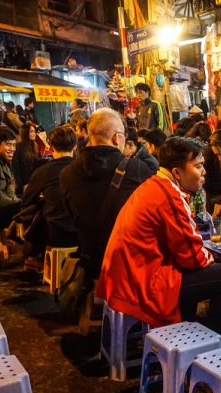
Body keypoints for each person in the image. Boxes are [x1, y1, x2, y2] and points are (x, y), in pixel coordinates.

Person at [98, 137, 221, 343]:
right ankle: (220, 343)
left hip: (125, 276)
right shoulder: (169, 195)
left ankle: (191, 333)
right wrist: (217, 258)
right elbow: (193, 257)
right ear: (177, 172)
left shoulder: (155, 185)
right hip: (142, 283)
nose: (204, 172)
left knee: (200, 273)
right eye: (199, 166)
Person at [60, 108, 154, 281]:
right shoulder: (136, 169)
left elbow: (70, 216)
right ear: (117, 137)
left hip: (89, 259)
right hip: (128, 262)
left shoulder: (66, 173)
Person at [20, 124, 78, 257]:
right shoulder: (86, 168)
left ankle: (33, 258)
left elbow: (26, 200)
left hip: (56, 235)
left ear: (51, 148)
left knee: (40, 213)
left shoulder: (43, 171)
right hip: (85, 233)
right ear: (75, 146)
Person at [11, 123, 41, 197]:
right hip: (23, 184)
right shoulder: (18, 147)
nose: (34, 134)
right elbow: (15, 168)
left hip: (34, 182)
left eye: (34, 131)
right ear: (25, 133)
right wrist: (21, 185)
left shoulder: (35, 145)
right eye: (31, 132)